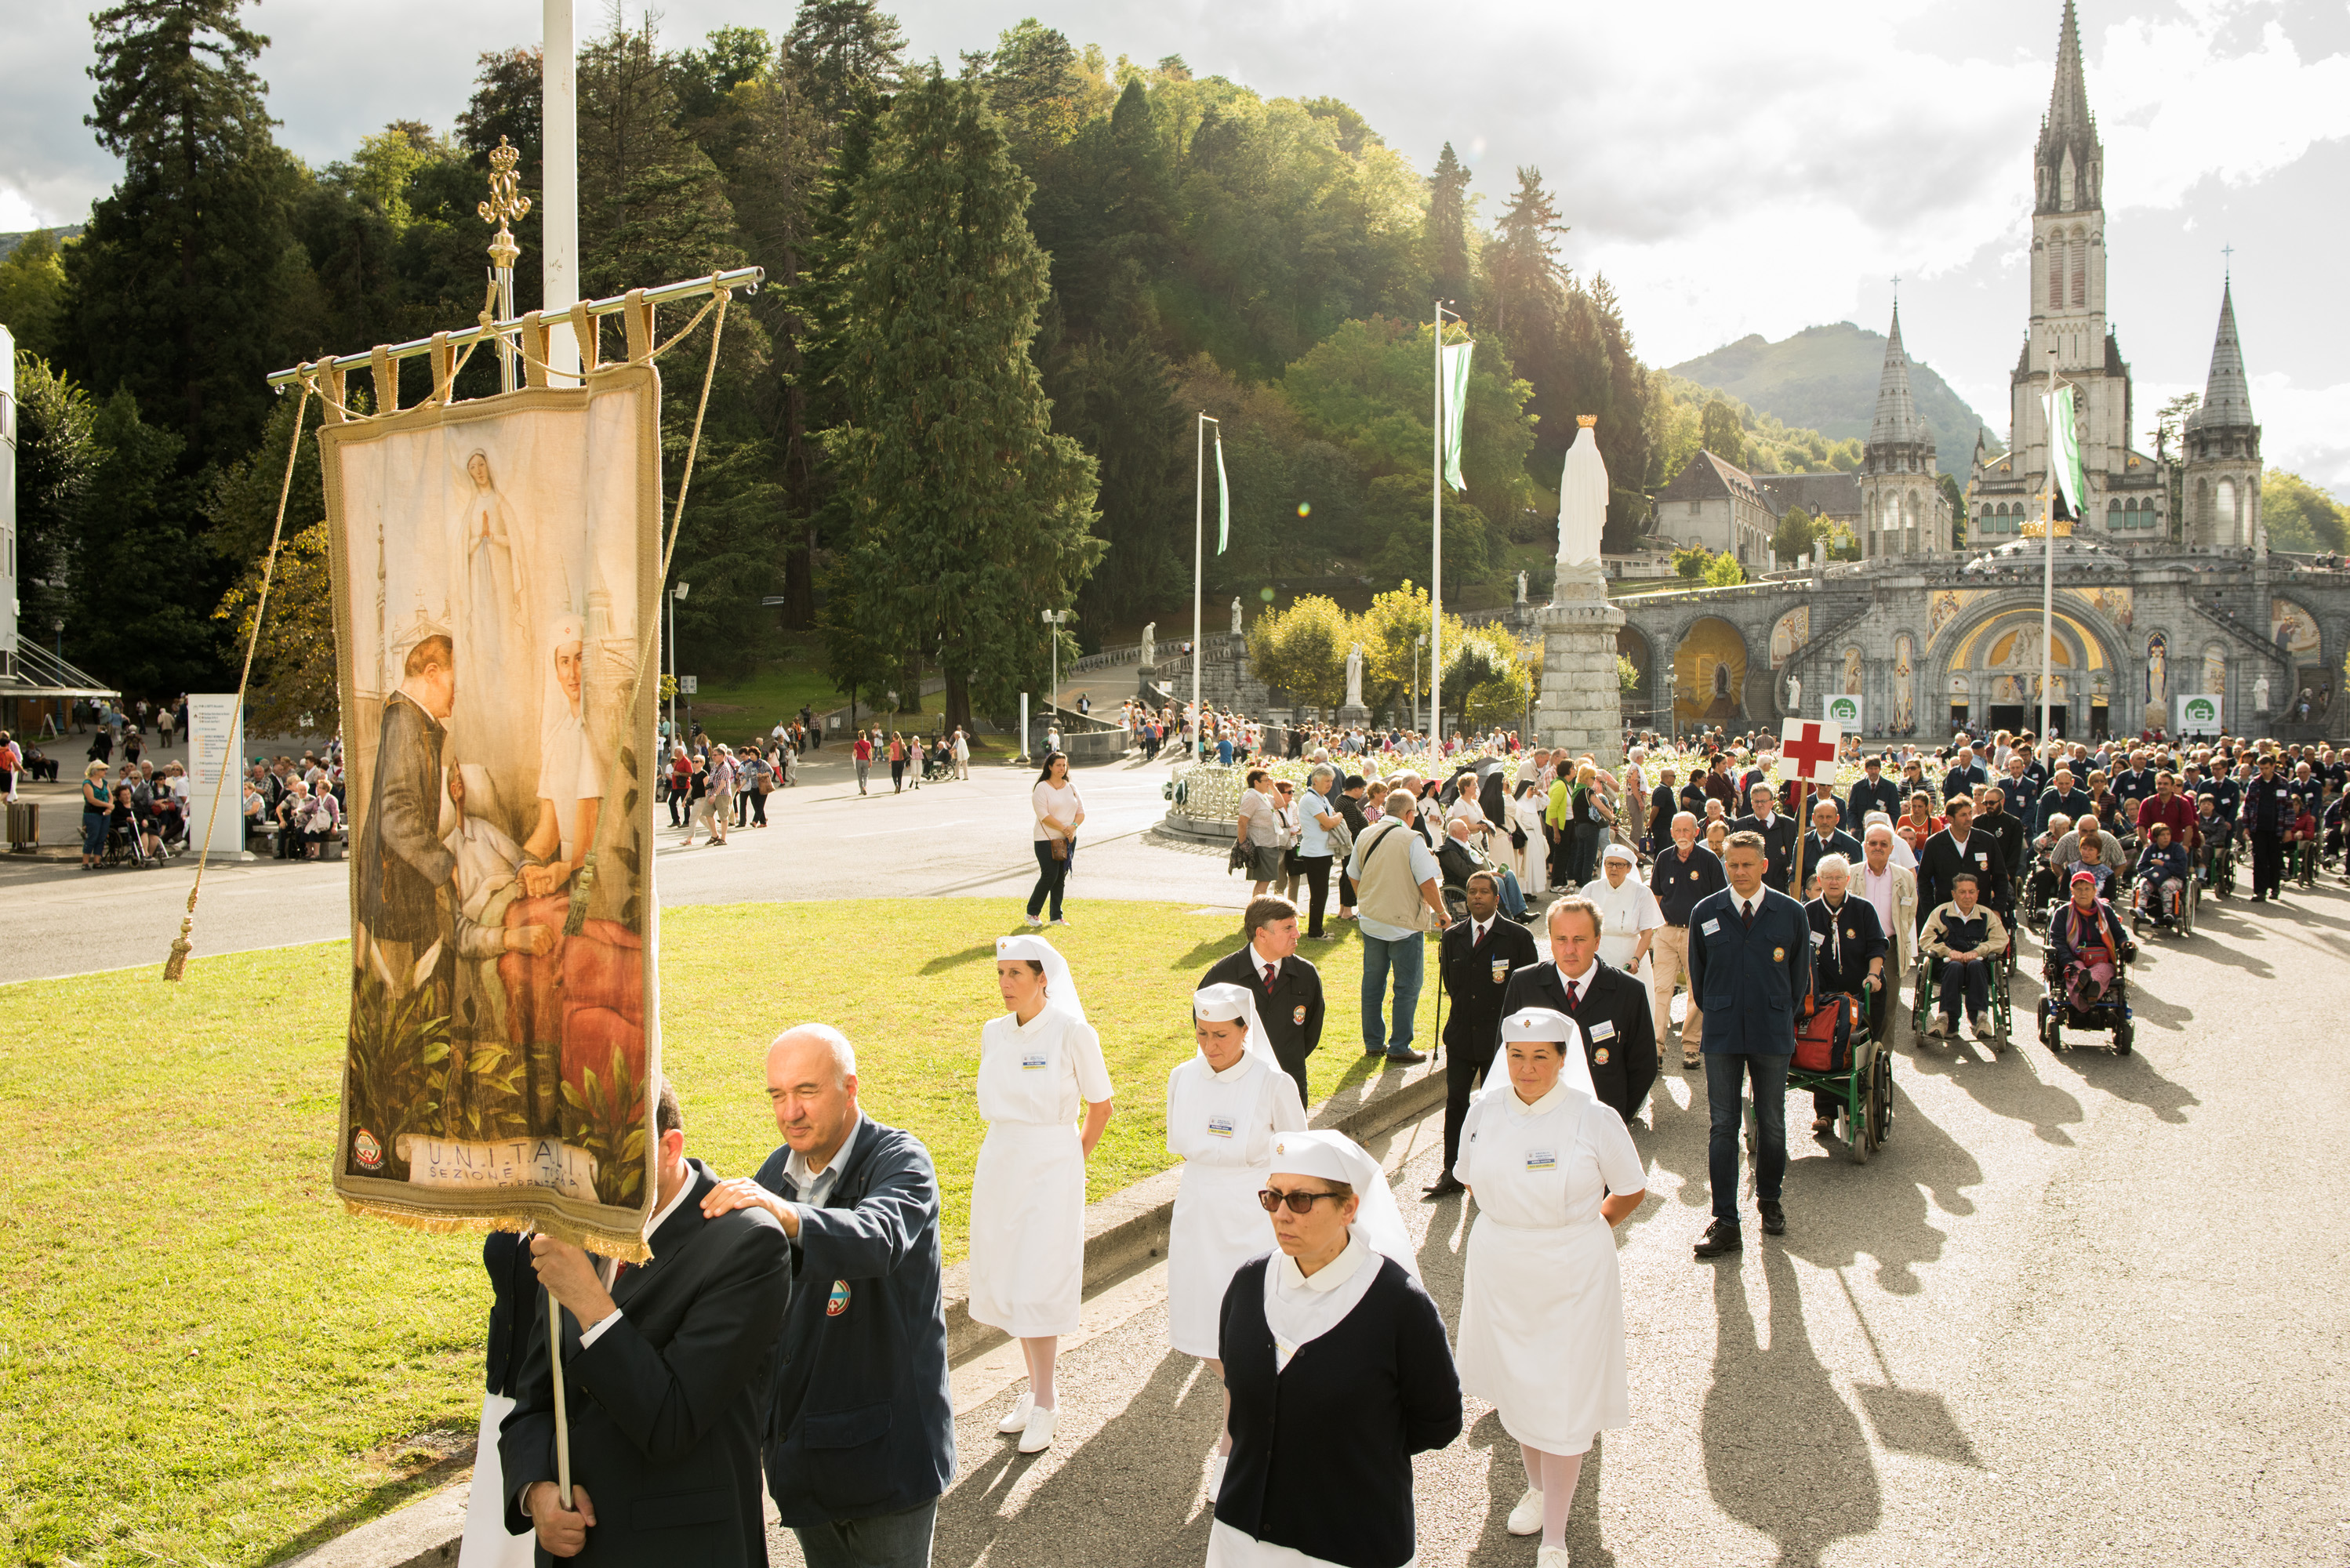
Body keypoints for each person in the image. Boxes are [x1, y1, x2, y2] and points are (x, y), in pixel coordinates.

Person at [498, 1080, 792, 1566]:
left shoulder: (747, 1245)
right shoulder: (579, 1224)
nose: (585, 1179)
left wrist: (592, 1303)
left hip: (679, 1551)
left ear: (669, 1146)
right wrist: (535, 1493)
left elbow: (671, 1425)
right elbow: (535, 1399)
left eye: (606, 1158)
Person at [699, 1025, 955, 1568]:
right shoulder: (777, 1173)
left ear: (850, 1088)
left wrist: (785, 1215)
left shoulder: (901, 1161)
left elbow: (876, 1238)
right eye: (777, 1095)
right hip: (803, 1466)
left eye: (806, 1092)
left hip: (887, 1464)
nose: (789, 1112)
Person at [1209, 1130, 1461, 1568]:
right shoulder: (1249, 1284)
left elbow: (1437, 1423)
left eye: (1301, 1200)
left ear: (1349, 1209)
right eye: (1273, 1197)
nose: (1282, 1215)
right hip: (1241, 1540)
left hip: (1350, 1542)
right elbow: (1238, 1379)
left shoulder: (1399, 1306)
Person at [1453, 1007, 1647, 1568]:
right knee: (1519, 1384)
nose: (1527, 1067)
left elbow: (1631, 1188)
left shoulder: (1594, 1117)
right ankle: (1536, 1491)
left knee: (1563, 1397)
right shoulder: (1482, 1111)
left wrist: (1586, 1227)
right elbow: (1470, 1179)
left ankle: (1555, 1538)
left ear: (1564, 1060)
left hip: (1572, 1271)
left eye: (1541, 1056)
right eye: (1516, 1054)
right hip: (1500, 1266)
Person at [968, 936, 1113, 1454]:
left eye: (1016, 974)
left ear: (1042, 977)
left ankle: (1047, 1403)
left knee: (1038, 1276)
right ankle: (1034, 1392)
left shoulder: (1073, 1033)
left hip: (1051, 1163)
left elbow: (1101, 1106)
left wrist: (1070, 1159)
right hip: (1001, 1158)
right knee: (1008, 1272)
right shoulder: (993, 1033)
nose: (1005, 984)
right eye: (1001, 973)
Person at [1168, 983, 1309, 1490]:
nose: (1210, 1045)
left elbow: (1299, 1155)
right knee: (1208, 1334)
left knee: (1249, 1335)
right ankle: (1262, 1413)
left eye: (1221, 1035)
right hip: (1198, 1216)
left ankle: (1235, 1442)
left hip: (1253, 1219)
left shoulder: (1273, 1083)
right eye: (1202, 1033)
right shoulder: (1181, 1077)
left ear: (1245, 1031)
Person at [1687, 831, 1811, 1258]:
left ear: (1763, 864)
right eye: (1731, 864)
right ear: (1724, 865)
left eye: (1747, 864)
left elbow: (1799, 981)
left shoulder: (1790, 912)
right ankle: (1725, 1219)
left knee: (1772, 1121)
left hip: (1771, 1030)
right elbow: (1699, 981)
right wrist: (1722, 1008)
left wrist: (1778, 1010)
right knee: (1723, 1126)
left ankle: (1770, 1200)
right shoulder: (1707, 910)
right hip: (1722, 1031)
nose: (1739, 872)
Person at [1423, 870, 1542, 1199]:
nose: (1476, 897)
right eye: (1471, 892)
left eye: (1483, 892)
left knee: (1500, 1106)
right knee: (1457, 1102)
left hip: (1500, 1040)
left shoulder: (1517, 937)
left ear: (1497, 899)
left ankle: (1498, 1170)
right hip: (1461, 1035)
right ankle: (1453, 1170)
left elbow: (1527, 992)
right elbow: (1452, 984)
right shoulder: (1453, 937)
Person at [1501, 895, 1662, 1127]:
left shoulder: (1629, 992)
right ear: (1550, 940)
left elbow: (1644, 1066)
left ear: (1597, 941)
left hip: (1601, 1124)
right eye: (1561, 939)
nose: (1569, 950)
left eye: (1579, 939)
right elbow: (1504, 1051)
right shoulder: (1524, 985)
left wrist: (1615, 1119)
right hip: (1536, 1122)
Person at [1346, 789, 1453, 1065]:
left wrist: (1366, 899)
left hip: (1372, 919)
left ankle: (1373, 1042)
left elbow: (1352, 875)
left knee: (1373, 983)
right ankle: (1399, 1045)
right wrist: (1442, 912)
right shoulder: (1411, 838)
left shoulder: (1366, 833)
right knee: (1407, 985)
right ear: (1409, 814)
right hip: (1403, 924)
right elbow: (1428, 883)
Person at [459, 1233, 543, 1568]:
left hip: (549, 1403)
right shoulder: (506, 1193)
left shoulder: (582, 1198)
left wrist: (723, 1191)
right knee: (491, 1521)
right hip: (501, 1392)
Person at [1200, 897, 1326, 1112]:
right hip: (1235, 1085)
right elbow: (1204, 1028)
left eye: (1296, 927)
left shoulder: (1306, 974)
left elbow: (1311, 1032)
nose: (1297, 934)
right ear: (1262, 934)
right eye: (1288, 928)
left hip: (1288, 1082)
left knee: (1288, 1144)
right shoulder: (1223, 975)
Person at [1805, 855, 1887, 1133]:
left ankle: (1854, 1107)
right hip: (1826, 996)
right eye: (1827, 877)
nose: (1833, 882)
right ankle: (1826, 1113)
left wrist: (1874, 975)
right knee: (1825, 1046)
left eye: (1839, 877)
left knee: (1854, 1049)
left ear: (1848, 879)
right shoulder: (1809, 912)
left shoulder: (1863, 910)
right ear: (1819, 881)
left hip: (1862, 990)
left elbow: (1877, 947)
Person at [1647, 811, 1727, 1070]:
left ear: (1696, 833)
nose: (1682, 835)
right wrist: (1655, 931)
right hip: (1667, 932)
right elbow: (1656, 897)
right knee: (1661, 989)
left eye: (1687, 831)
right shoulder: (1663, 858)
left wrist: (1712, 935)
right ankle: (1656, 1048)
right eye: (1677, 831)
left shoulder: (1709, 860)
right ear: (1671, 833)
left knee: (1696, 991)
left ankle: (1691, 1047)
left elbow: (1720, 902)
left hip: (1698, 934)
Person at [1919, 872, 2007, 1040]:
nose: (1967, 896)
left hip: (1978, 965)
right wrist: (1948, 951)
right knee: (1954, 966)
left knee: (1975, 965)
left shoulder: (1986, 915)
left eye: (1971, 892)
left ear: (1978, 893)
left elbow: (2001, 940)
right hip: (1947, 965)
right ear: (1954, 894)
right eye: (1962, 892)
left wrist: (1979, 951)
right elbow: (1926, 939)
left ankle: (1980, 1019)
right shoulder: (1942, 912)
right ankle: (1946, 1019)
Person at [1916, 794, 2008, 929]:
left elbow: (2001, 877)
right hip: (1946, 917)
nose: (1969, 819)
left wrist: (1997, 910)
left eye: (1970, 814)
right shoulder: (1934, 843)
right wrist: (1931, 913)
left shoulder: (1987, 841)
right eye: (1963, 815)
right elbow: (1923, 881)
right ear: (1950, 819)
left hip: (1981, 914)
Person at [2049, 871, 2134, 1012]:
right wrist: (2067, 962)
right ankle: (2090, 992)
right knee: (2076, 973)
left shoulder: (2106, 911)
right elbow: (2057, 941)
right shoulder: (2063, 913)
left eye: (2087, 889)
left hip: (2102, 959)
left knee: (2101, 972)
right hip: (2074, 958)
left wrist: (2126, 944)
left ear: (2095, 891)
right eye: (2079, 889)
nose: (2083, 893)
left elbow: (2119, 935)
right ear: (2072, 891)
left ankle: (2088, 989)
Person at [1582, 841, 1664, 975]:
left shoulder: (1642, 893)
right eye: (1610, 864)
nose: (1614, 869)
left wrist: (1635, 959)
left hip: (1631, 959)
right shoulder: (1590, 889)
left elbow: (1647, 933)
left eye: (1619, 865)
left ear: (1629, 868)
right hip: (1598, 958)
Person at [1026, 751, 1084, 927]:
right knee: (1049, 874)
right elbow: (1043, 815)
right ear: (1050, 767)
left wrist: (1073, 827)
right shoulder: (1042, 787)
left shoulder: (1071, 787)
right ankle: (1032, 912)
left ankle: (1056, 916)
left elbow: (1081, 812)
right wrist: (1064, 828)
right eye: (1058, 765)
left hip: (1068, 839)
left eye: (1064, 765)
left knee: (1060, 877)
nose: (1062, 768)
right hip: (1046, 839)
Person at [1293, 765, 1346, 938]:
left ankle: (1316, 930)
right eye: (1326, 781)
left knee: (1321, 892)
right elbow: (1329, 822)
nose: (1330, 784)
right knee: (1319, 893)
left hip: (1323, 851)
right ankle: (1315, 931)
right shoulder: (1311, 799)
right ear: (1315, 781)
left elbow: (1334, 818)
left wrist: (1335, 818)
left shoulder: (1320, 798)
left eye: (1331, 781)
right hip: (1315, 853)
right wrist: (1334, 819)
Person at [1729, 782, 1799, 892]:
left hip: (1780, 887)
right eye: (1756, 801)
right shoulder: (1741, 825)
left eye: (1763, 801)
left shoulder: (1787, 825)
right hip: (1750, 888)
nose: (1760, 805)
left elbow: (1795, 856)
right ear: (1751, 803)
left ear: (1772, 803)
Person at [2246, 753, 2291, 903]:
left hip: (2276, 827)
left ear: (2273, 766)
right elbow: (2248, 806)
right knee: (2259, 859)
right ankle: (2259, 891)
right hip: (2258, 827)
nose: (2264, 771)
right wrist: (2246, 826)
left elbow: (2288, 807)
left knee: (2274, 858)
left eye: (2266, 768)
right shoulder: (2254, 783)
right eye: (2261, 768)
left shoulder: (2283, 783)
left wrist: (2288, 829)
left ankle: (2275, 888)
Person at [1235, 768, 1285, 898]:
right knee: (1264, 880)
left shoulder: (1264, 796)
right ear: (1256, 782)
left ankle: (1257, 909)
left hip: (1269, 843)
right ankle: (1257, 910)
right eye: (1265, 781)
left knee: (1266, 879)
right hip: (1261, 844)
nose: (1268, 783)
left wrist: (1273, 786)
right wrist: (1243, 844)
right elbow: (1242, 822)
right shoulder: (1251, 797)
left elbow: (1280, 803)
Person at [1800, 799, 1861, 892]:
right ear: (1813, 818)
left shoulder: (1852, 845)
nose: (1825, 821)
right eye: (1821, 817)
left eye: (1829, 817)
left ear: (1837, 819)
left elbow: (1855, 880)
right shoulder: (1802, 843)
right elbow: (1795, 877)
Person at [2136, 822, 2190, 923]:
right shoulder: (2150, 850)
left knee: (2166, 885)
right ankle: (2141, 909)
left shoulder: (2177, 849)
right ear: (2156, 837)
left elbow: (2181, 868)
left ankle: (2168, 913)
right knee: (2144, 884)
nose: (2166, 837)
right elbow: (2140, 867)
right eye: (2162, 835)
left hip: (2173, 878)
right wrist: (2151, 871)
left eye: (2168, 834)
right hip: (2154, 879)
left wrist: (2163, 864)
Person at [78, 760, 111, 869]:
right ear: (95, 771)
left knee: (102, 837)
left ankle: (97, 861)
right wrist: (107, 805)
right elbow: (91, 799)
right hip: (92, 813)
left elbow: (110, 796)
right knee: (93, 837)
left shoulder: (105, 782)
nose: (105, 771)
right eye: (102, 769)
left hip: (105, 813)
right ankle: (85, 862)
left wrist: (109, 807)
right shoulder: (88, 783)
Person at [852, 728, 874, 795]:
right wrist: (870, 761)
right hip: (866, 760)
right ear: (864, 736)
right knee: (866, 775)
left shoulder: (856, 744)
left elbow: (855, 753)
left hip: (859, 761)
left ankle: (862, 789)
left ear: (859, 736)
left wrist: (854, 755)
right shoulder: (868, 743)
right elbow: (870, 753)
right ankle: (865, 786)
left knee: (860, 776)